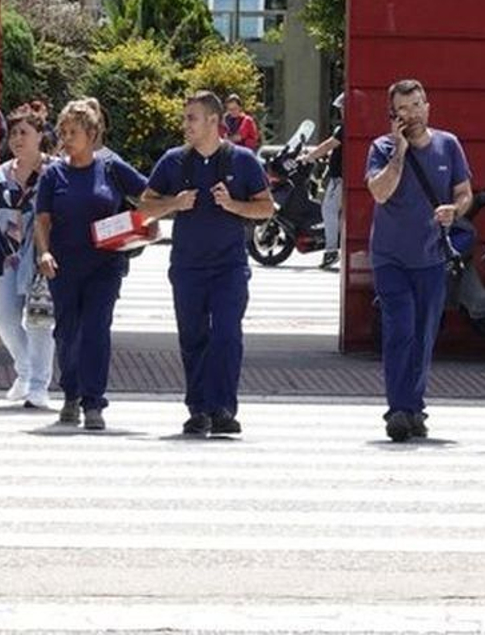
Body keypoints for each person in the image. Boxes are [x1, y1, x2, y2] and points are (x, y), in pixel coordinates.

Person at [144, 91, 274, 436]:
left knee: (227, 335)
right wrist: (175, 203)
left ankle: (223, 409)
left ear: (214, 121)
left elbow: (266, 208)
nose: (185, 124)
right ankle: (198, 408)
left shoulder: (243, 160)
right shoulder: (173, 161)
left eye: (192, 118)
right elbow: (145, 205)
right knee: (193, 337)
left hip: (229, 266)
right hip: (187, 266)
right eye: (185, 118)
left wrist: (234, 206)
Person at [32, 98, 151, 431]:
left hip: (105, 265)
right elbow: (42, 220)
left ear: (92, 133)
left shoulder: (111, 168)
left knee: (96, 329)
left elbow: (148, 195)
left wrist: (148, 221)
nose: (67, 138)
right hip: (64, 265)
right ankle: (71, 393)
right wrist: (44, 252)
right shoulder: (54, 174)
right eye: (63, 131)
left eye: (74, 132)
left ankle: (94, 402)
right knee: (68, 333)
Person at [365, 79, 473, 442]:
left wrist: (453, 211)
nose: (410, 114)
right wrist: (399, 151)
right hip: (390, 257)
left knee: (424, 334)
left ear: (428, 106)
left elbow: (464, 193)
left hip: (430, 257)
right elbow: (379, 193)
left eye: (415, 105)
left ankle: (414, 407)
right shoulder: (381, 148)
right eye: (402, 109)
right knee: (400, 329)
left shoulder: (449, 145)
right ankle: (398, 409)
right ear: (392, 114)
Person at [0, 105, 55, 410]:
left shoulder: (55, 170)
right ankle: (25, 370)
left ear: (40, 135)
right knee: (4, 318)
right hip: (9, 256)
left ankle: (39, 384)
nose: (17, 138)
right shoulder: (1, 173)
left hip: (42, 255)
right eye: (13, 133)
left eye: (24, 132)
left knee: (40, 321)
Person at [301, 93, 344, 270]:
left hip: (339, 178)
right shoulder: (347, 127)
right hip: (340, 177)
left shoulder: (343, 128)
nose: (341, 111)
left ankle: (332, 250)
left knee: (329, 210)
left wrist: (309, 156)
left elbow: (328, 145)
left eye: (342, 108)